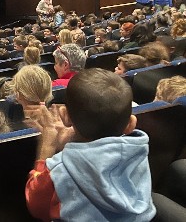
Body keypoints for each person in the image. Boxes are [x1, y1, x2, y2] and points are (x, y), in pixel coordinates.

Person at [25, 69, 155, 221]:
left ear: (65, 116)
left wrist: (47, 148)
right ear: (131, 124)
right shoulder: (139, 149)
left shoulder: (59, 170)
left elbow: (36, 206)